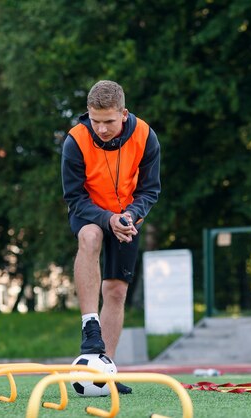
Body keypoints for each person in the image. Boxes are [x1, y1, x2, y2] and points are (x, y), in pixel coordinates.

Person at [61, 80, 161, 394]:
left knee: (116, 291)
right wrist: (106, 218)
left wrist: (129, 216)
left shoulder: (145, 136)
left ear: (124, 114)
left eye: (109, 122)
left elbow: (150, 190)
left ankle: (107, 371)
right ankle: (90, 323)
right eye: (96, 121)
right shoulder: (75, 141)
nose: (102, 129)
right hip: (89, 211)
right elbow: (74, 197)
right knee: (90, 238)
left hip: (128, 214)